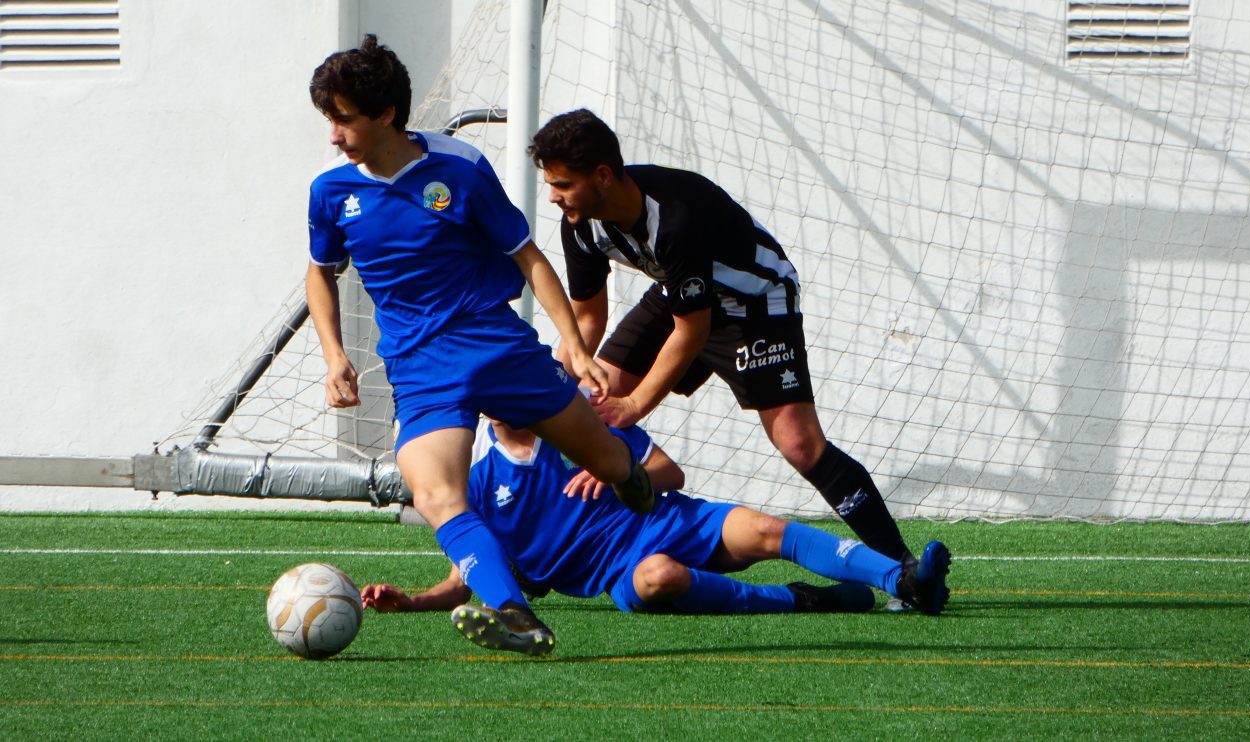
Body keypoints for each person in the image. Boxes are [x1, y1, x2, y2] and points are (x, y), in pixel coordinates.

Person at [304, 38, 653, 657]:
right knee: (436, 495)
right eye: (329, 120)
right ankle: (514, 611)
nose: (333, 135)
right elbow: (319, 272)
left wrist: (573, 345)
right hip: (419, 368)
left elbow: (529, 257)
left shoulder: (460, 168)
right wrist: (334, 355)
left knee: (608, 460)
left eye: (344, 119)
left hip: (497, 347)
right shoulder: (331, 192)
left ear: (385, 114)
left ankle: (631, 481)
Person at [526, 109, 921, 572]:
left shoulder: (674, 219)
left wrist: (632, 407)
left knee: (799, 444)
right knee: (584, 404)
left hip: (755, 302)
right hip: (681, 295)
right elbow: (588, 317)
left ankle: (903, 567)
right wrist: (550, 386)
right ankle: (542, 552)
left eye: (563, 185)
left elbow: (691, 332)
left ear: (604, 176)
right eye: (551, 184)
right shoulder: (581, 221)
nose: (552, 197)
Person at [360, 417, 952, 655]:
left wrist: (618, 472)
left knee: (765, 527)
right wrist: (413, 601)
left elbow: (670, 470)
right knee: (658, 578)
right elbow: (473, 569)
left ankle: (901, 579)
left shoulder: (584, 422)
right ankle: (806, 598)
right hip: (622, 574)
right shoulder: (477, 480)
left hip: (669, 518)